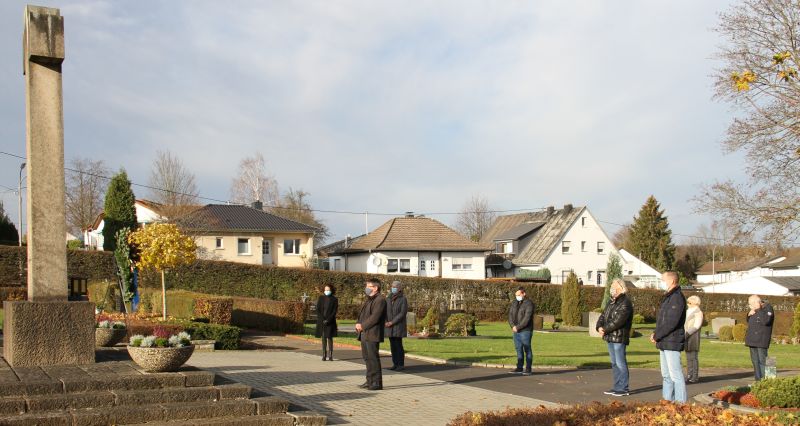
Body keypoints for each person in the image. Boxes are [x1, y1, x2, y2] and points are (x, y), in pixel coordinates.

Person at [651, 271, 687, 403]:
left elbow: (672, 322)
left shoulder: (677, 297)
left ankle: (680, 403)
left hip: (673, 340)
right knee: (666, 375)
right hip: (664, 340)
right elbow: (662, 320)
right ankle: (667, 401)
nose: (662, 282)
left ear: (672, 281)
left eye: (663, 279)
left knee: (675, 375)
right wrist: (656, 333)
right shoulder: (668, 297)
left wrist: (657, 335)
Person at [596, 278, 633, 397]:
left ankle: (623, 388)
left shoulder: (625, 303)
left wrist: (605, 329)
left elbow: (619, 321)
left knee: (620, 362)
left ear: (621, 288)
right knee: (614, 363)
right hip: (610, 337)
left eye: (614, 286)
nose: (612, 288)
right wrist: (599, 326)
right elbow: (603, 315)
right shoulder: (611, 302)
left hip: (619, 337)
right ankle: (617, 386)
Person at [356, 278, 387, 390]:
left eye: (369, 286)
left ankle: (376, 383)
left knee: (373, 358)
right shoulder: (369, 299)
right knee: (367, 358)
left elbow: (375, 317)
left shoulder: (380, 300)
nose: (367, 288)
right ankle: (369, 381)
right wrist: (358, 324)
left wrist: (362, 326)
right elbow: (363, 315)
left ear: (375, 288)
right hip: (365, 333)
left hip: (373, 333)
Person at [745, 294, 774, 381]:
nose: (750, 306)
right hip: (752, 339)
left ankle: (767, 381)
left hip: (761, 339)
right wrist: (748, 314)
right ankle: (758, 381)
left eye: (750, 304)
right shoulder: (754, 310)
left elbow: (766, 321)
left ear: (756, 303)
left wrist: (758, 309)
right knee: (755, 361)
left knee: (763, 361)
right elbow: (750, 321)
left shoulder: (768, 308)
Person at [508, 287, 535, 375]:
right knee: (518, 349)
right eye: (516, 295)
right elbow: (510, 315)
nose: (517, 297)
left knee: (527, 349)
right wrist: (513, 326)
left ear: (524, 294)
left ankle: (528, 368)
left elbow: (527, 318)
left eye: (519, 295)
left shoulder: (529, 304)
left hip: (525, 330)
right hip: (515, 330)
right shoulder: (514, 303)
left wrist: (518, 327)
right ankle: (519, 367)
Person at [385, 280, 408, 371]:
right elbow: (385, 311)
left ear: (399, 288)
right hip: (389, 326)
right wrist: (386, 321)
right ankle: (395, 363)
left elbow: (402, 313)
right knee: (392, 346)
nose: (393, 288)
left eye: (395, 287)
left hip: (398, 326)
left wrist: (392, 322)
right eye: (392, 286)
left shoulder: (403, 299)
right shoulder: (388, 298)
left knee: (398, 346)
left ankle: (400, 364)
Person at [315, 285, 338, 361]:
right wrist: (322, 319)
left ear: (331, 290)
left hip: (330, 321)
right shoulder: (321, 298)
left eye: (328, 289)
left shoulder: (334, 299)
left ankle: (330, 355)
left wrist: (328, 319)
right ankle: (324, 355)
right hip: (322, 321)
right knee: (323, 338)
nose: (326, 291)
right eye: (325, 289)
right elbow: (318, 309)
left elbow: (334, 311)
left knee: (329, 337)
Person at [684, 295, 704, 383]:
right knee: (688, 357)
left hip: (693, 336)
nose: (688, 303)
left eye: (689, 302)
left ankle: (695, 376)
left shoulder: (698, 312)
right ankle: (689, 375)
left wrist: (687, 333)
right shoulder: (687, 311)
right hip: (686, 335)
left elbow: (697, 325)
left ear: (694, 303)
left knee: (693, 357)